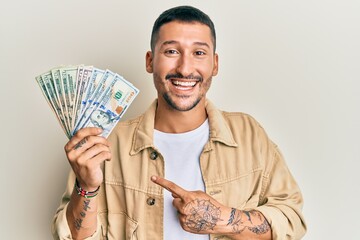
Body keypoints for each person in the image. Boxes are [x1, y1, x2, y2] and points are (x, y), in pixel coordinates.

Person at [52, 5, 306, 240]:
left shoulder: (249, 135)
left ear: (214, 64)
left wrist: (221, 220)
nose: (185, 69)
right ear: (150, 61)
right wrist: (87, 187)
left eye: (199, 53)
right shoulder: (107, 142)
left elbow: (291, 221)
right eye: (172, 51)